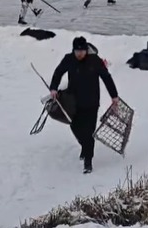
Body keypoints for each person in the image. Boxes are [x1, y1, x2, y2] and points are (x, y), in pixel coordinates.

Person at [49, 37, 121, 174]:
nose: (79, 54)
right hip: (73, 101)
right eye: (77, 51)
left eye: (82, 51)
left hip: (92, 102)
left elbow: (106, 77)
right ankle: (84, 146)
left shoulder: (95, 61)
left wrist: (114, 96)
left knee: (89, 132)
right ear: (73, 50)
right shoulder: (69, 59)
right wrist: (53, 88)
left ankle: (88, 161)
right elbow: (58, 72)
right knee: (74, 126)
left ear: (86, 50)